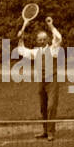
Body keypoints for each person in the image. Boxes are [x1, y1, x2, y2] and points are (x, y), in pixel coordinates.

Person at [16, 10, 63, 140]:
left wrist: (51, 25)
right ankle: (45, 131)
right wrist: (20, 37)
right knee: (43, 107)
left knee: (51, 106)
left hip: (52, 80)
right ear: (37, 41)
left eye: (44, 39)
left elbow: (58, 38)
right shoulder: (35, 52)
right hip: (41, 81)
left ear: (47, 40)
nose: (42, 41)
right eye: (40, 39)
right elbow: (21, 50)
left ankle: (51, 132)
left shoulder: (54, 49)